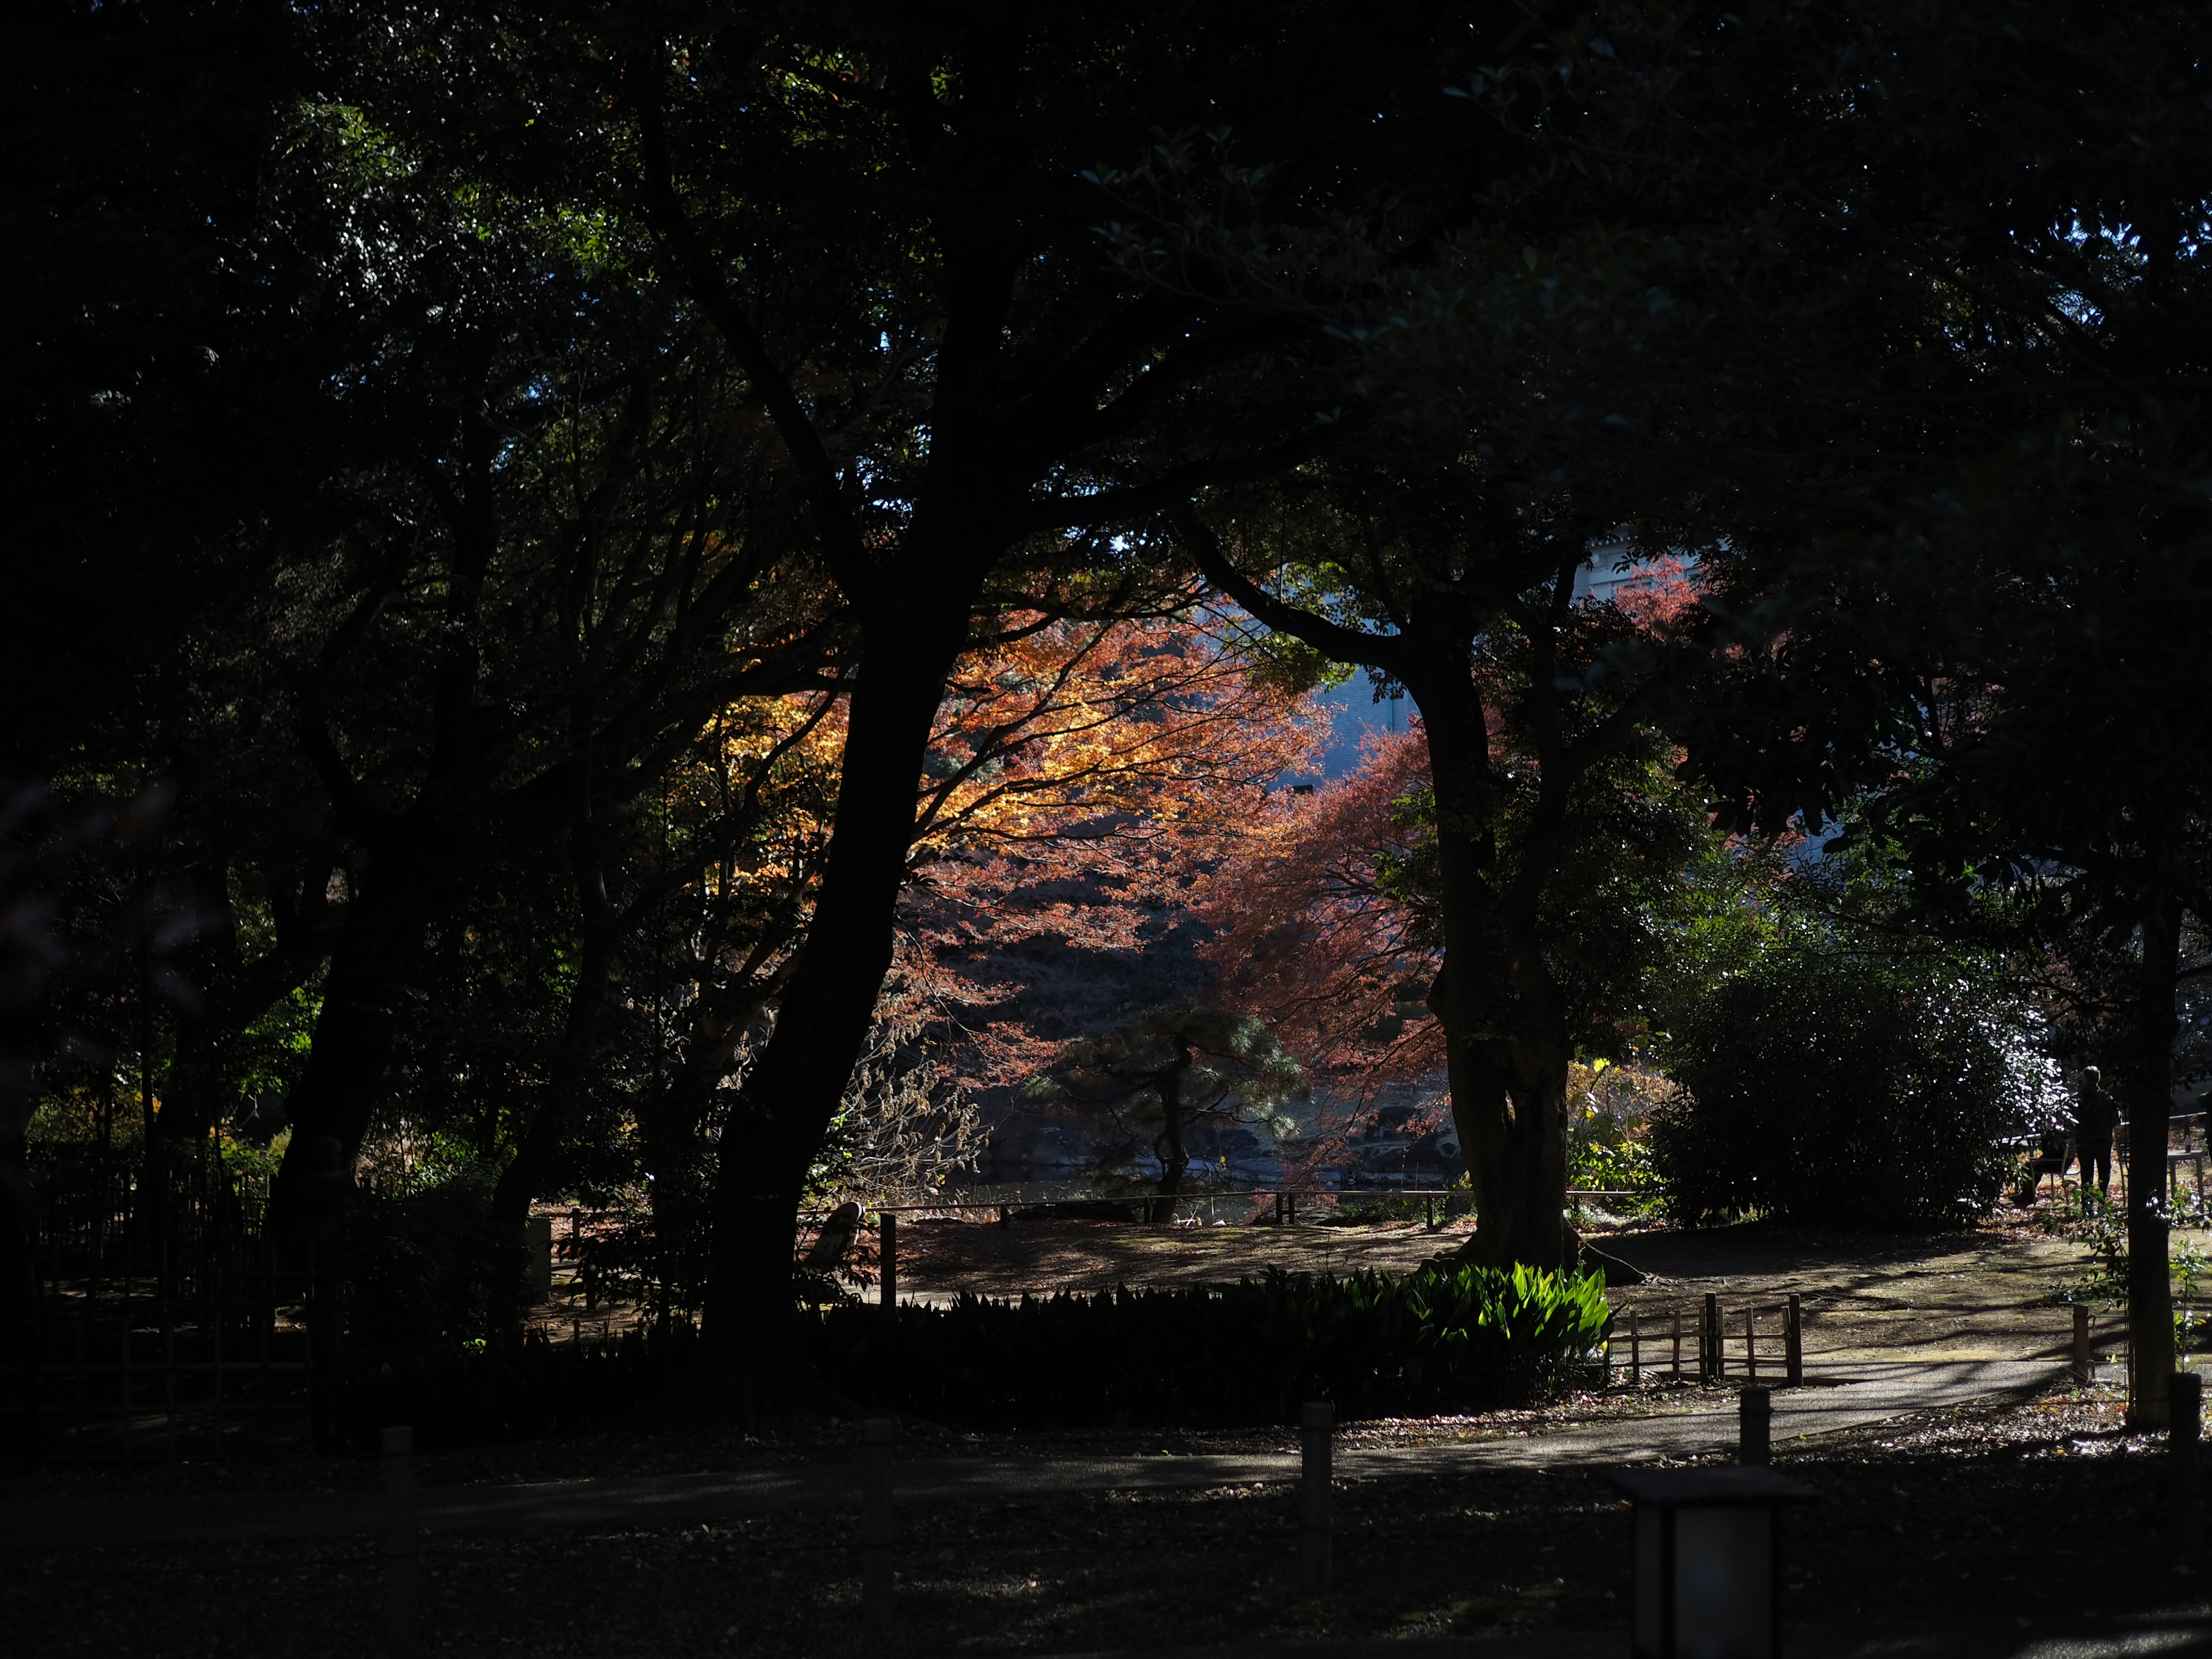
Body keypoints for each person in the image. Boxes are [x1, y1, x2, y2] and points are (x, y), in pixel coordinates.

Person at [2073, 1065, 2119, 1206]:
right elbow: (2116, 1120)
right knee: (2104, 1170)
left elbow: (2071, 1120)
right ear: (2098, 1079)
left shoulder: (2077, 1098)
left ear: (2085, 1079)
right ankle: (2102, 1199)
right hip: (2103, 1140)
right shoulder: (2106, 1098)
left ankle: (2086, 1204)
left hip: (2084, 1141)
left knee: (2086, 1173)